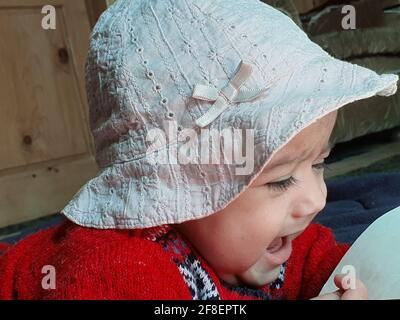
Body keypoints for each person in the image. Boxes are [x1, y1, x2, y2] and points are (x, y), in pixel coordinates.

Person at [0, 0, 397, 300]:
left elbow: (324, 260)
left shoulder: (270, 240)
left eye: (320, 162)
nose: (316, 199)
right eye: (280, 181)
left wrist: (358, 276)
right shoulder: (111, 269)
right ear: (177, 192)